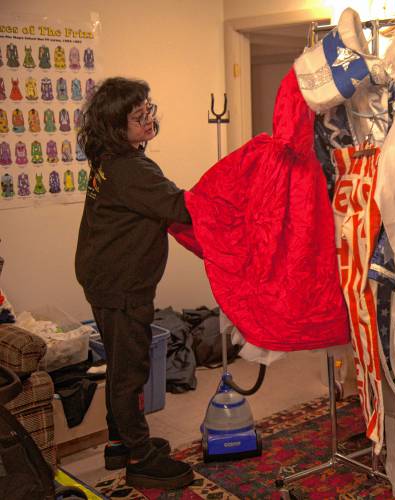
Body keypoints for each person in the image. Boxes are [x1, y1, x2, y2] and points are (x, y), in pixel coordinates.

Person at [75, 77, 194, 489]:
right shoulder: (130, 168)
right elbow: (181, 207)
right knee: (130, 369)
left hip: (103, 277)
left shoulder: (108, 157)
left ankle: (119, 443)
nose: (149, 120)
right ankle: (140, 457)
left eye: (149, 110)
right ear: (115, 124)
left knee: (121, 364)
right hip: (121, 285)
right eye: (138, 115)